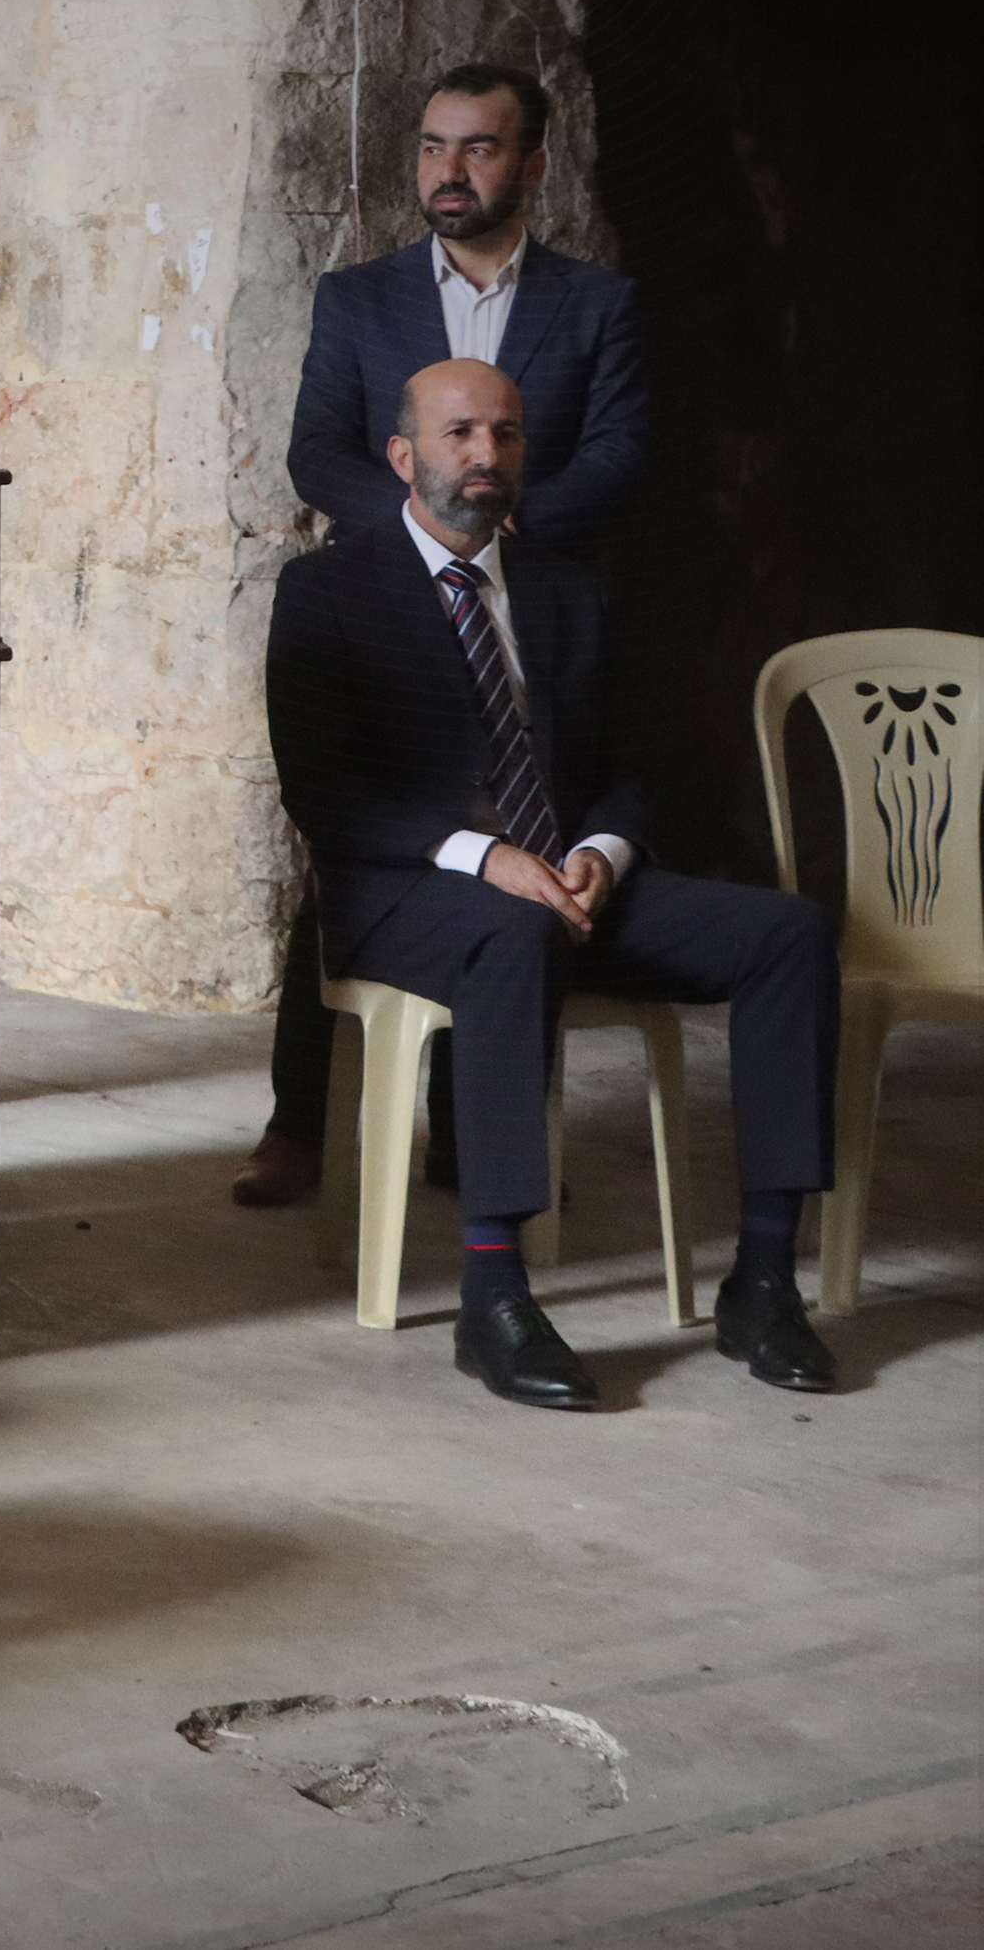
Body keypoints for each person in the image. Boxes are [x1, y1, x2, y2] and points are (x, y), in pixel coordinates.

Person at [265, 359, 837, 1412]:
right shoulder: (325, 590)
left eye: (506, 434)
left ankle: (762, 1279)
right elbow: (324, 792)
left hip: (572, 881)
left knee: (787, 934)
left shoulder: (569, 586)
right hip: (408, 894)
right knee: (510, 934)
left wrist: (602, 852)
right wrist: (487, 858)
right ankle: (494, 1294)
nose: (485, 455)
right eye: (459, 434)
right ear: (403, 455)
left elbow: (627, 764)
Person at [241, 62, 651, 1208]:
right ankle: (298, 1122)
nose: (448, 169)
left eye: (477, 147)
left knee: (523, 850)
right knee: (366, 845)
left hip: (530, 606)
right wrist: (430, 530)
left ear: (531, 164)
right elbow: (317, 448)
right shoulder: (358, 297)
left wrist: (510, 522)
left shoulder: (596, 302)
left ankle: (473, 1135)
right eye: (432, 146)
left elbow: (622, 449)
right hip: (391, 612)